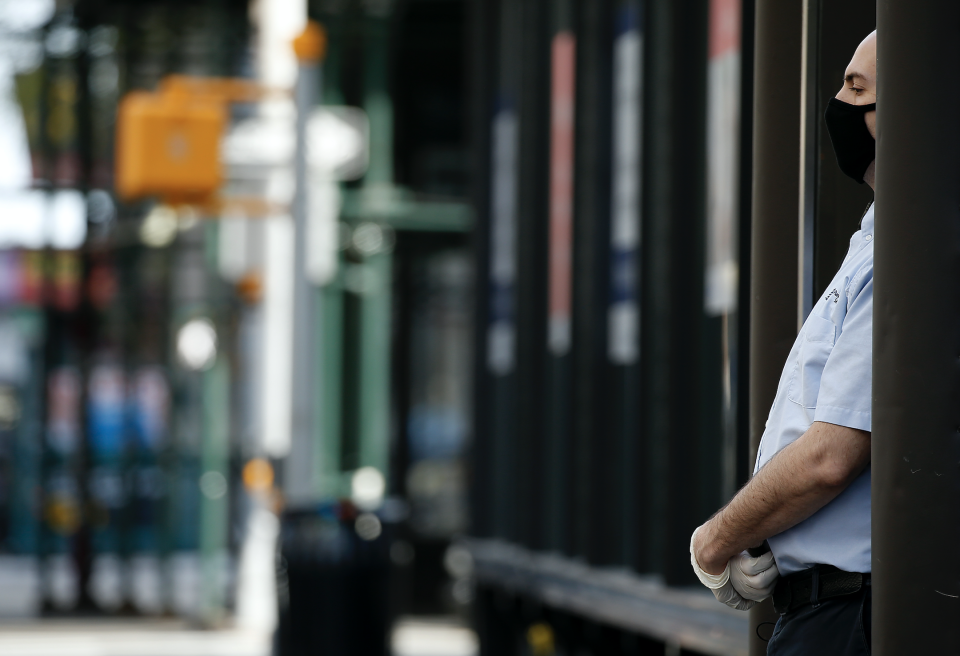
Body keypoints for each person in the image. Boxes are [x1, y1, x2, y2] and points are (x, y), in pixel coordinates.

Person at [690, 31, 878, 655]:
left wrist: (716, 540)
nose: (838, 103)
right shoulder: (880, 242)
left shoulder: (905, 254)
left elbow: (831, 455)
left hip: (847, 615)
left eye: (856, 89)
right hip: (834, 607)